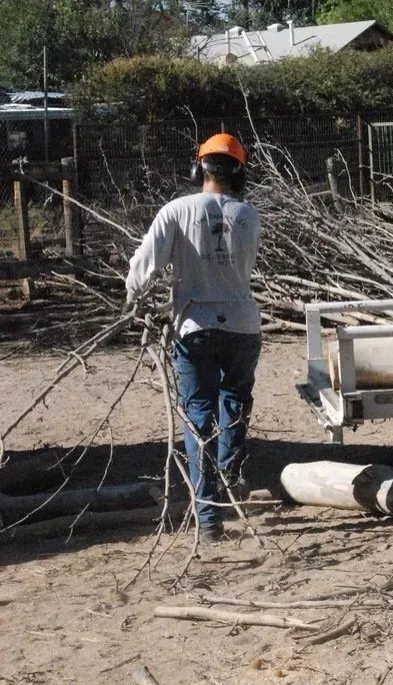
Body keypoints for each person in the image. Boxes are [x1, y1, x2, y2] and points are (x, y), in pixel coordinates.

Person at [125, 133, 262, 543]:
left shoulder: (177, 210)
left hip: (195, 327)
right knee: (235, 405)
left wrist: (134, 300)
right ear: (239, 170)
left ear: (198, 167)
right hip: (242, 325)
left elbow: (144, 267)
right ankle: (229, 478)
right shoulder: (249, 214)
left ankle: (208, 518)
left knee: (198, 416)